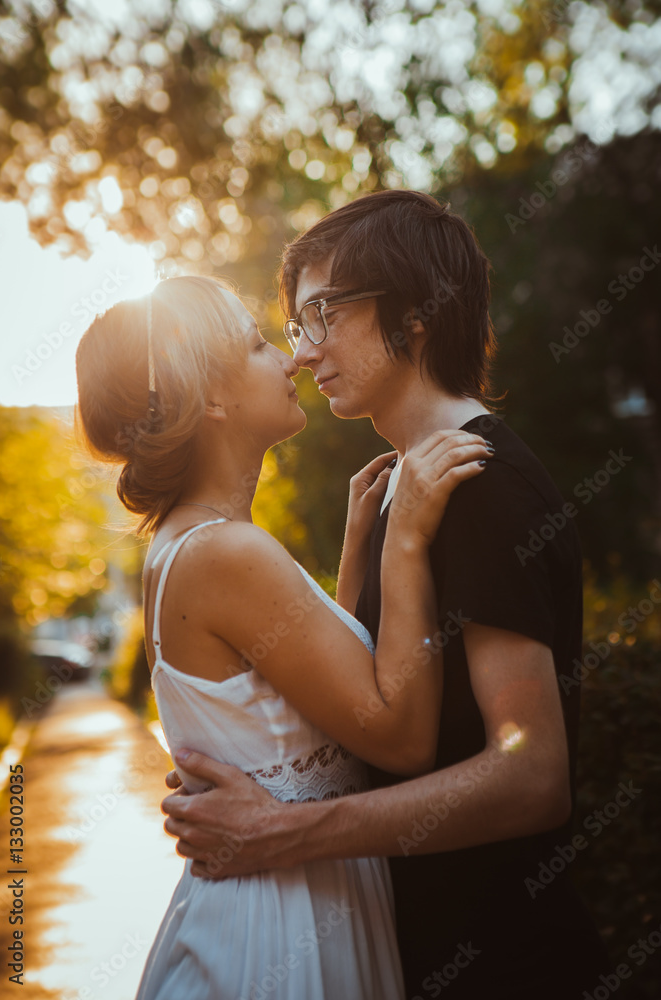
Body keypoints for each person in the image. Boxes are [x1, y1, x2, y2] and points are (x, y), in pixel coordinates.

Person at [161, 191, 612, 999]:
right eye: (295, 326)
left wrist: (280, 830)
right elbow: (376, 715)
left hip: (501, 966)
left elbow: (531, 774)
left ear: (412, 314)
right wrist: (250, 768)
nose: (302, 352)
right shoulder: (401, 491)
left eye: (322, 314)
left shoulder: (479, 487)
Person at [74, 272, 492, 1000]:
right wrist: (405, 545)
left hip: (276, 903)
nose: (293, 359)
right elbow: (397, 737)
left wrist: (358, 549)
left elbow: (294, 704)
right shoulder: (227, 554)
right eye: (260, 343)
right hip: (283, 929)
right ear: (207, 398)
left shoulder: (195, 543)